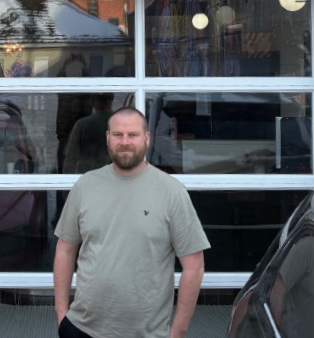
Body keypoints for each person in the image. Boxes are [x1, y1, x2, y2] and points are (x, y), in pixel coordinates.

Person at [53, 108, 210, 338]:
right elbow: (65, 251)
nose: (125, 142)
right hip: (83, 329)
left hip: (148, 333)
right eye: (118, 135)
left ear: (147, 139)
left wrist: (177, 332)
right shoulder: (85, 186)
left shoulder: (171, 191)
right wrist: (62, 316)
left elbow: (194, 266)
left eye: (132, 135)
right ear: (108, 138)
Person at [61, 94, 115, 174]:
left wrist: (66, 182)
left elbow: (70, 161)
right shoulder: (122, 123)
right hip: (114, 180)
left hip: (87, 179)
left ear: (92, 100)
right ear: (112, 99)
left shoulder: (82, 125)